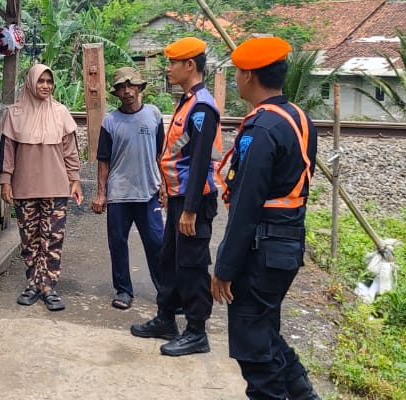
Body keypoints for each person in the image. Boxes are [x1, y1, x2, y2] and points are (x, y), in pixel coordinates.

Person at [211, 37, 321, 400]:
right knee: (265, 330)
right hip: (286, 245)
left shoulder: (262, 129)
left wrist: (225, 266)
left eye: (237, 73)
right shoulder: (299, 118)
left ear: (249, 76)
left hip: (262, 250)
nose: (236, 79)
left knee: (253, 347)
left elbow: (246, 204)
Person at [130, 36, 223, 357]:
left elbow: (199, 163)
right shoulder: (187, 101)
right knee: (168, 259)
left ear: (190, 65)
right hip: (179, 197)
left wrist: (191, 210)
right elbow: (179, 154)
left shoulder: (202, 108)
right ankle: (166, 319)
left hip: (193, 202)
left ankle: (197, 332)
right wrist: (168, 191)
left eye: (171, 63)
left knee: (192, 265)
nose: (167, 69)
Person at [0, 63, 83, 312]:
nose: (45, 86)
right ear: (31, 83)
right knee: (30, 238)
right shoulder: (14, 114)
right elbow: (8, 152)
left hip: (56, 186)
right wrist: (5, 180)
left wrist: (75, 179)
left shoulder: (61, 112)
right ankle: (33, 284)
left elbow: (70, 150)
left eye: (49, 82)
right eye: (41, 81)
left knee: (53, 237)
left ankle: (48, 286)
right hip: (24, 186)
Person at [90, 67, 166, 311]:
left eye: (131, 85)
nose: (127, 91)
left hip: (148, 193)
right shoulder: (110, 121)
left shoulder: (153, 115)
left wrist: (164, 185)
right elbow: (104, 160)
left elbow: (160, 155)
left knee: (157, 242)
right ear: (117, 93)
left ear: (140, 88)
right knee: (118, 243)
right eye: (122, 87)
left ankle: (166, 291)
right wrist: (101, 193)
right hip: (119, 194)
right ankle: (123, 290)